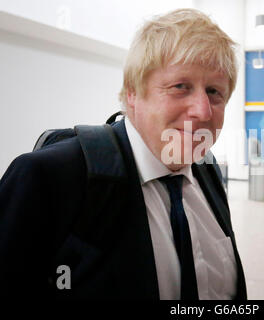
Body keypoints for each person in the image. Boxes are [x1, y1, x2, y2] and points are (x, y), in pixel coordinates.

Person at [0, 8, 247, 300]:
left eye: (214, 92)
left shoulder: (207, 169)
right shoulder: (49, 178)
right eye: (181, 86)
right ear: (132, 93)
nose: (203, 111)